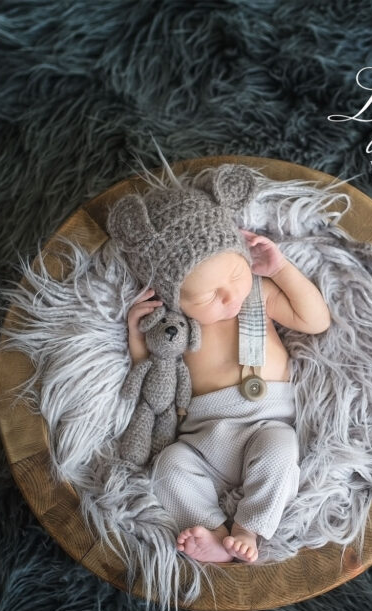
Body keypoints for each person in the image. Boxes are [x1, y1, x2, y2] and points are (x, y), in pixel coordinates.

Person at [110, 164, 331, 563]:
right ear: (173, 297)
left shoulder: (258, 296)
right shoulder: (176, 327)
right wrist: (134, 332)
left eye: (234, 273)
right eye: (209, 296)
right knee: (169, 466)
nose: (229, 297)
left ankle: (250, 527)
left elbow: (316, 320)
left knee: (282, 452)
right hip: (203, 441)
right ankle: (211, 532)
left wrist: (280, 269)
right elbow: (150, 372)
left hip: (265, 426)